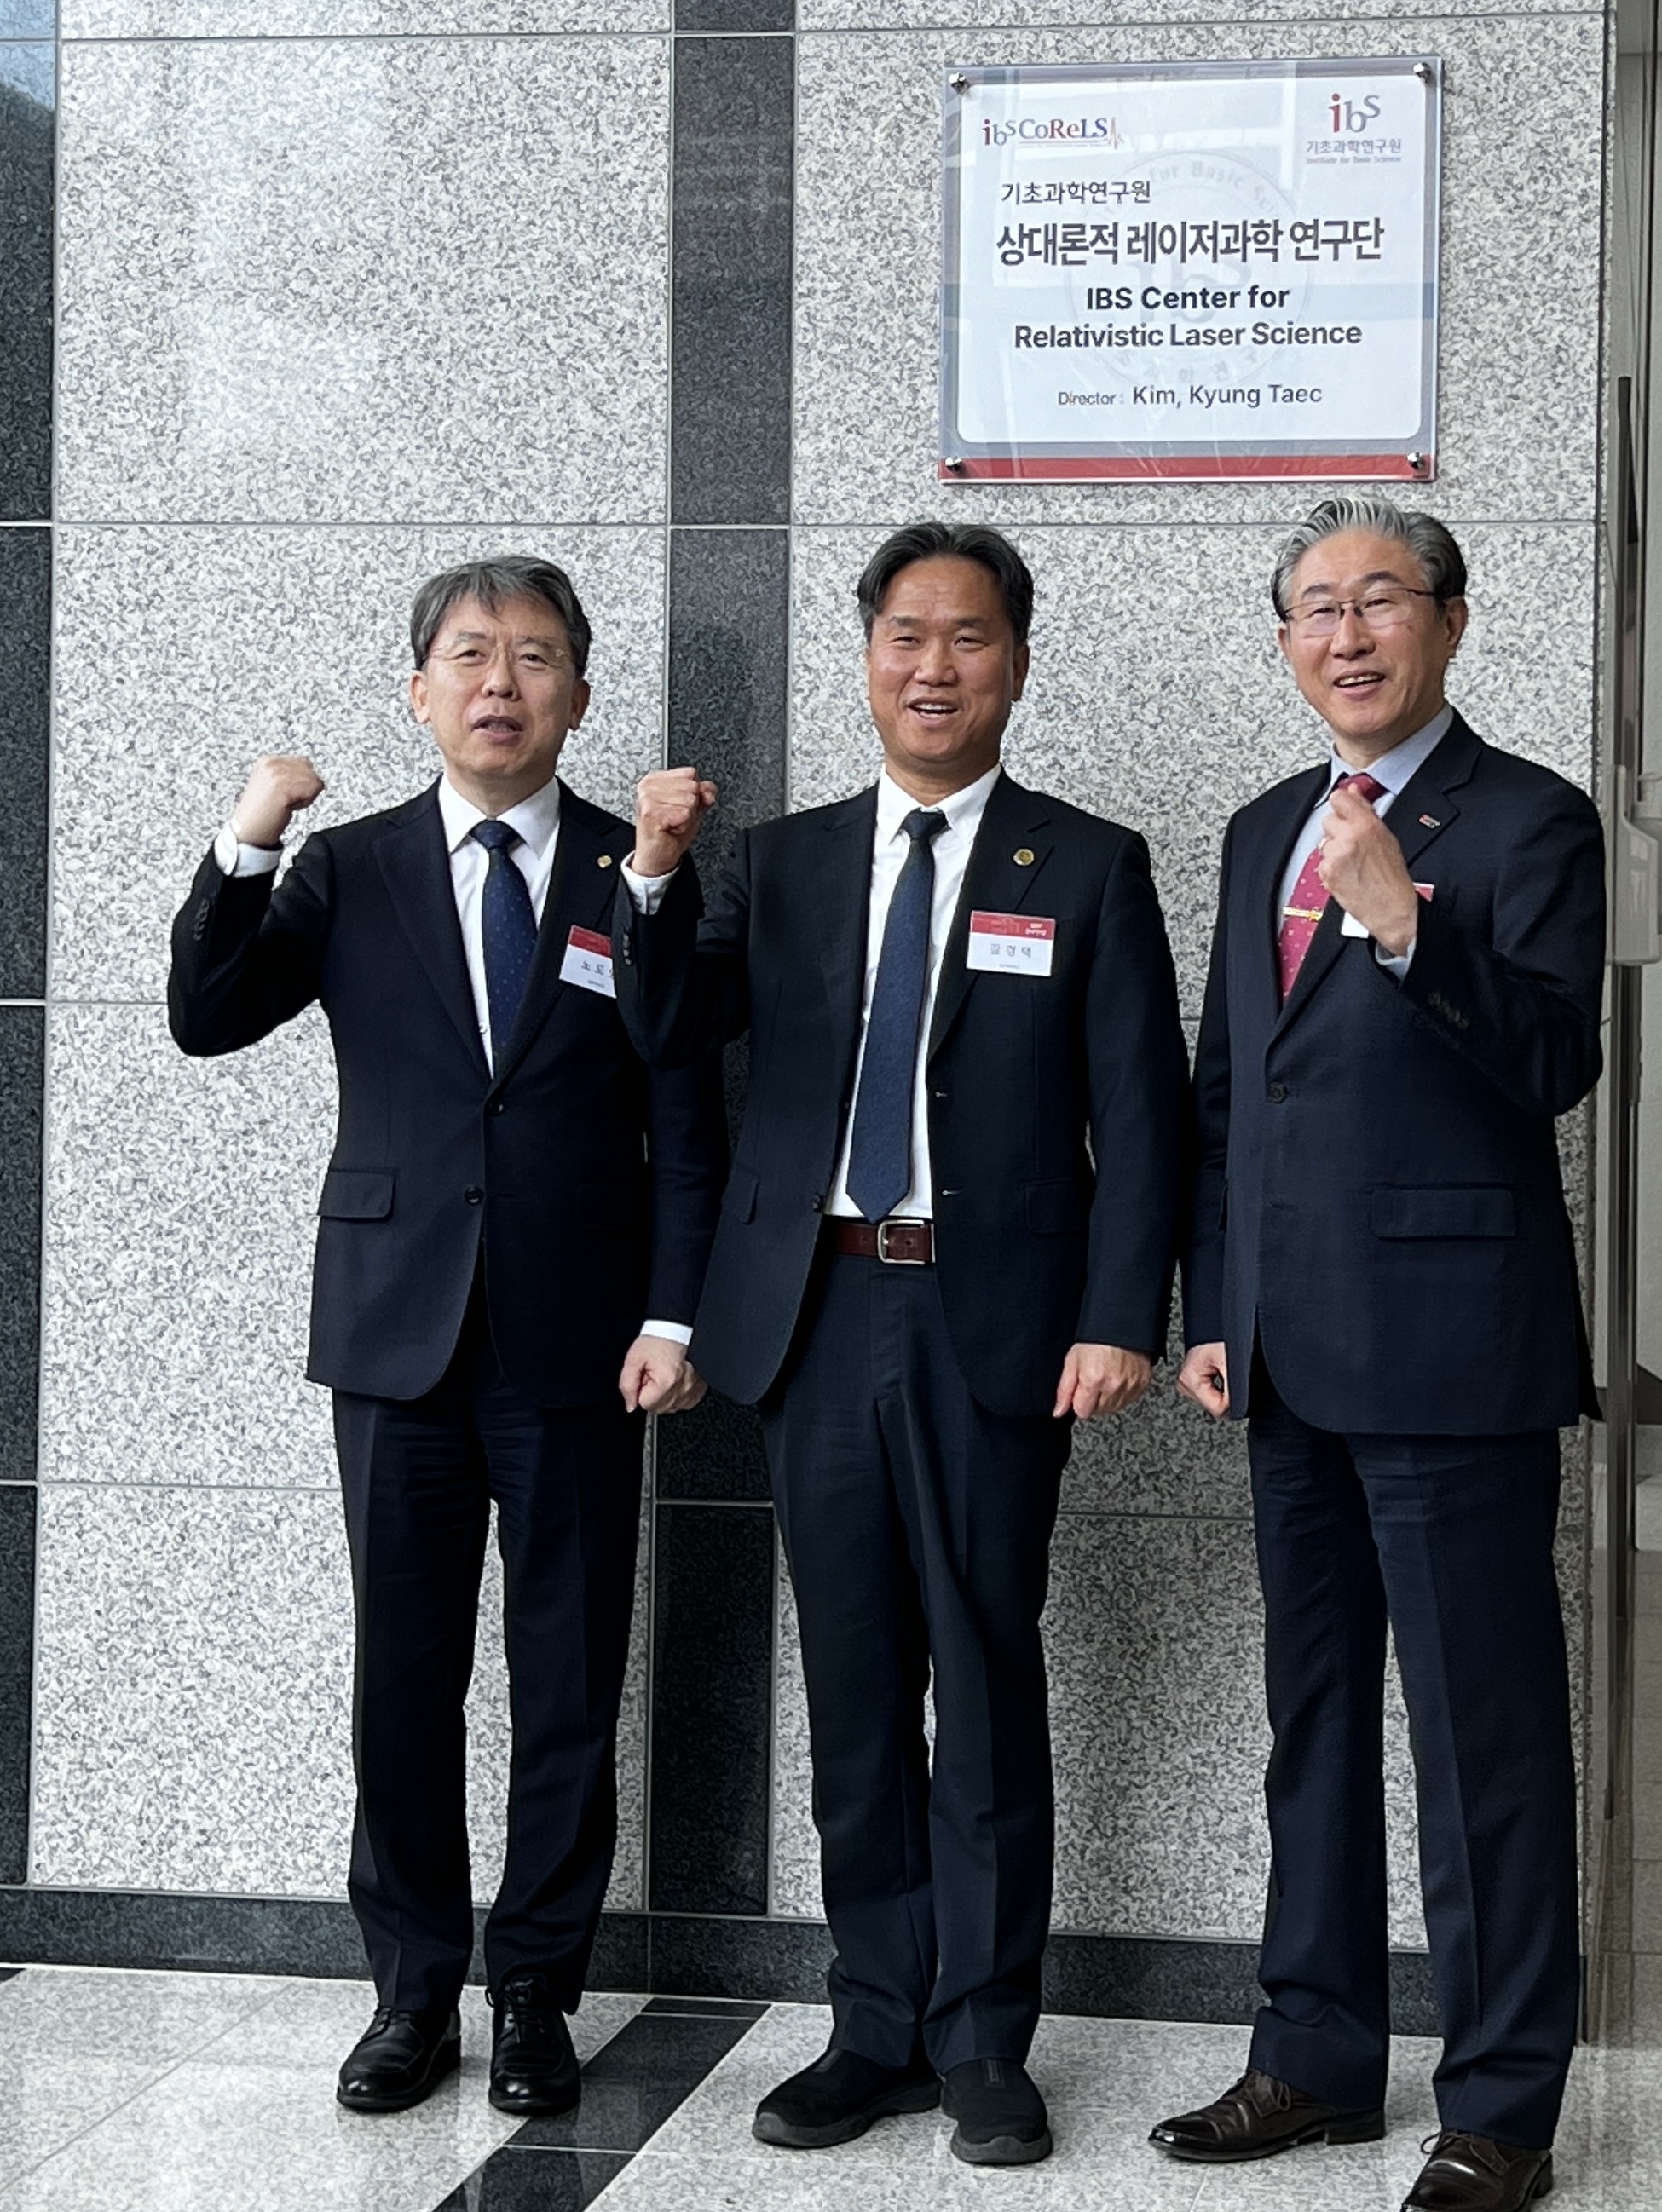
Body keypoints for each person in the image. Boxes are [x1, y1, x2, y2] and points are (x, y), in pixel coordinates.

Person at [609, 523, 1187, 2168]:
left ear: (1017, 658)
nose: (935, 668)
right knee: (856, 1690)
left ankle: (986, 2042)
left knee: (986, 1680)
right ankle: (873, 2024)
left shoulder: (1084, 865)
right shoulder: (781, 864)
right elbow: (666, 1036)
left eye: (971, 638)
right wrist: (653, 874)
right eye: (906, 637)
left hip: (991, 1325)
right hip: (813, 1315)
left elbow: (1141, 1119)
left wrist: (1116, 1318)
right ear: (865, 655)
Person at [166, 556, 724, 2123]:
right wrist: (250, 831)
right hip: (396, 1339)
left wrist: (675, 1310)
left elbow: (687, 1114)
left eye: (536, 658)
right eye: (471, 657)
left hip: (582, 1344)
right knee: (400, 1682)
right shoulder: (342, 869)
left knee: (566, 1682)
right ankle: (411, 1988)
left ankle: (539, 1985)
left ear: (579, 697)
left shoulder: (646, 867)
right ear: (420, 691)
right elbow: (207, 1016)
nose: (501, 683)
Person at [1147, 497, 1604, 2212]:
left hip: (1453, 1354)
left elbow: (1557, 1059)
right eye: (1317, 607)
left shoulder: (1529, 820)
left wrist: (1413, 927)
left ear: (1452, 623)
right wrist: (1213, 1305)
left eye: (1382, 600)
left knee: (1483, 1735)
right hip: (1279, 1360)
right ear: (1285, 643)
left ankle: (1499, 2100)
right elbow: (1223, 1098)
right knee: (1314, 1719)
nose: (1350, 633)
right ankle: (1315, 2052)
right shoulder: (1265, 820)